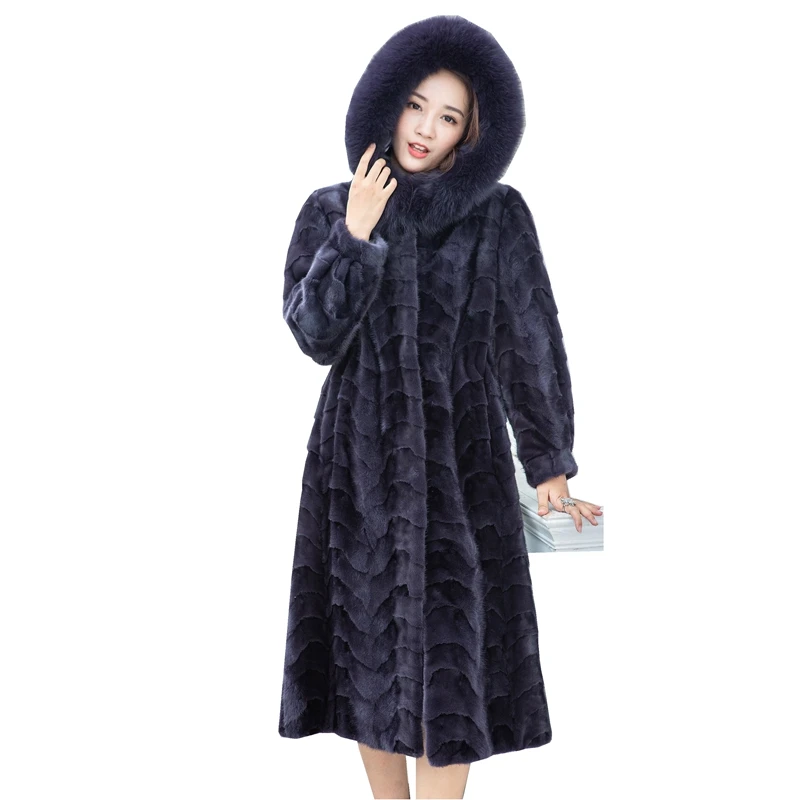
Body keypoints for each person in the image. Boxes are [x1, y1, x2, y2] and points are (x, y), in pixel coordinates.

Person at [278, 15, 602, 799]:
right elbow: (314, 336)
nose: (425, 129)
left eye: (449, 116)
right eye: (416, 105)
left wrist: (549, 464)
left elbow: (528, 337)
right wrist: (355, 234)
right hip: (358, 462)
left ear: (472, 131)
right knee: (367, 657)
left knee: (457, 666)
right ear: (387, 101)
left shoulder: (499, 214)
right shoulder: (329, 208)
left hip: (465, 465)